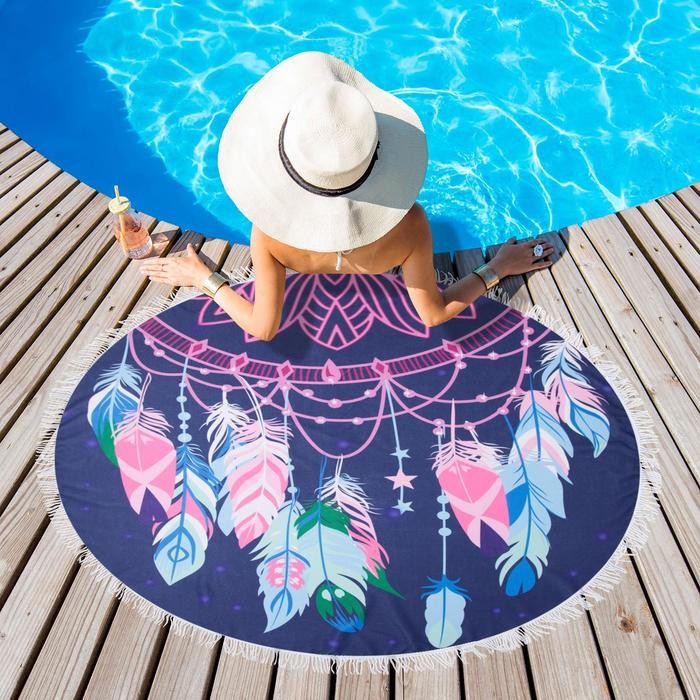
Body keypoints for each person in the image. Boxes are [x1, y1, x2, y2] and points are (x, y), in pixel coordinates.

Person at [140, 51, 554, 341]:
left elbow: (263, 328)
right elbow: (433, 313)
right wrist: (498, 266)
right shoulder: (410, 224)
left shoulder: (269, 233)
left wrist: (205, 278)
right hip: (384, 252)